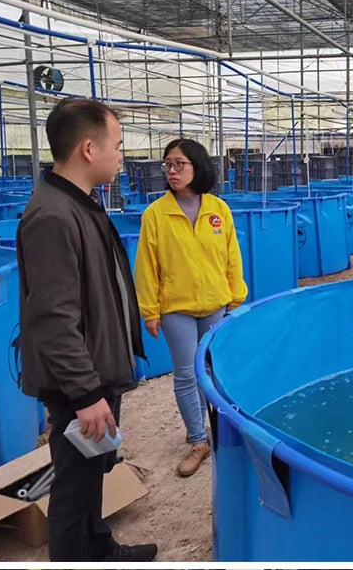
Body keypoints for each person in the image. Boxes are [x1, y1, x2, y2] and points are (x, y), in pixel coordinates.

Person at [16, 98, 157, 562]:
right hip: (80, 382)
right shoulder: (53, 216)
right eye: (117, 146)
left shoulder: (81, 204)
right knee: (74, 492)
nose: (122, 155)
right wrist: (84, 394)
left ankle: (100, 549)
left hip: (95, 371)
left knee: (95, 469)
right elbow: (53, 318)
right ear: (89, 148)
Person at [135, 138, 247, 477]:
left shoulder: (218, 209)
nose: (171, 171)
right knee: (186, 374)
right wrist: (150, 310)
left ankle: (200, 425)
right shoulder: (155, 214)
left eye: (179, 164)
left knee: (208, 373)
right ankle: (199, 439)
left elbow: (231, 256)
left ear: (197, 166)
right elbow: (146, 266)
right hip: (176, 308)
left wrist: (235, 297)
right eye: (167, 164)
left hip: (214, 303)